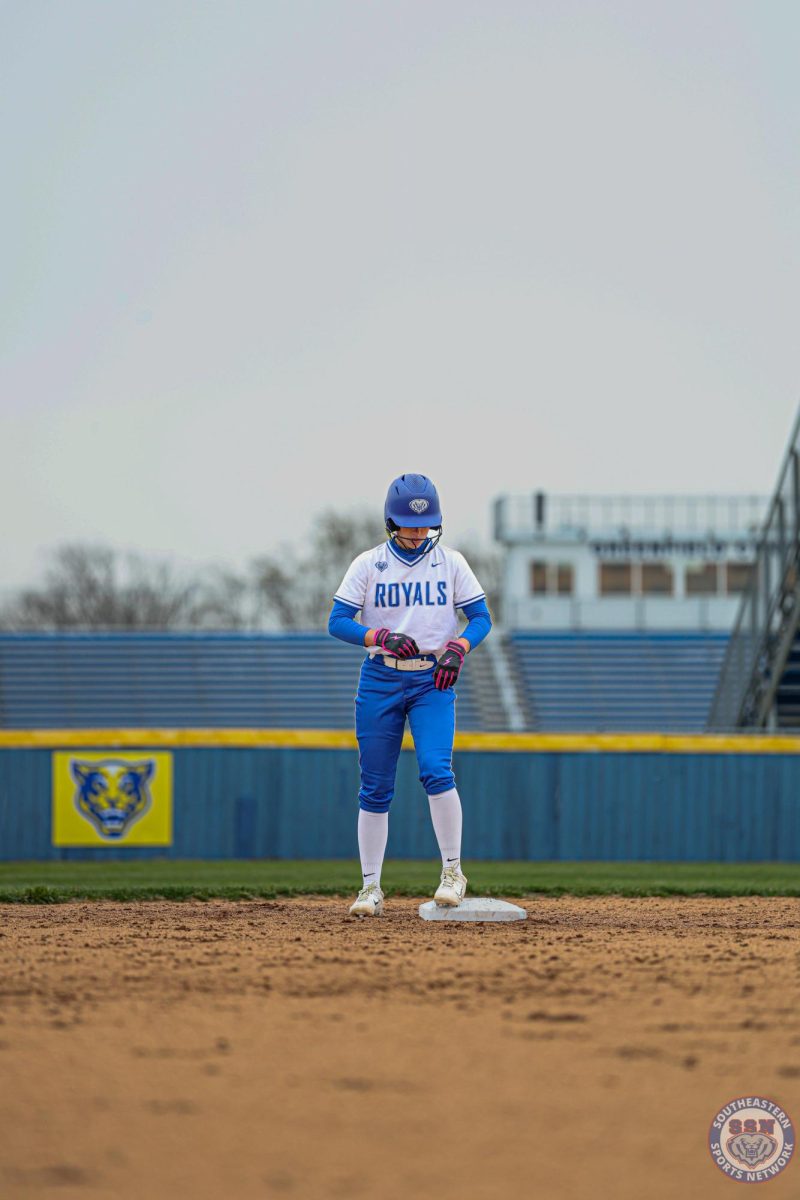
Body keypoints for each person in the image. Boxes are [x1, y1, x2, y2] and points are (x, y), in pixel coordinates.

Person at [327, 473, 492, 916]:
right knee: (375, 787)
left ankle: (453, 872)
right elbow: (338, 620)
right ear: (390, 522)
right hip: (380, 678)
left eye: (425, 525)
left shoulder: (451, 562)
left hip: (432, 680)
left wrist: (460, 646)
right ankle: (370, 887)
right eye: (409, 525)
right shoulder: (368, 564)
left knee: (437, 770)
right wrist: (376, 634)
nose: (418, 534)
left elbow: (480, 617)